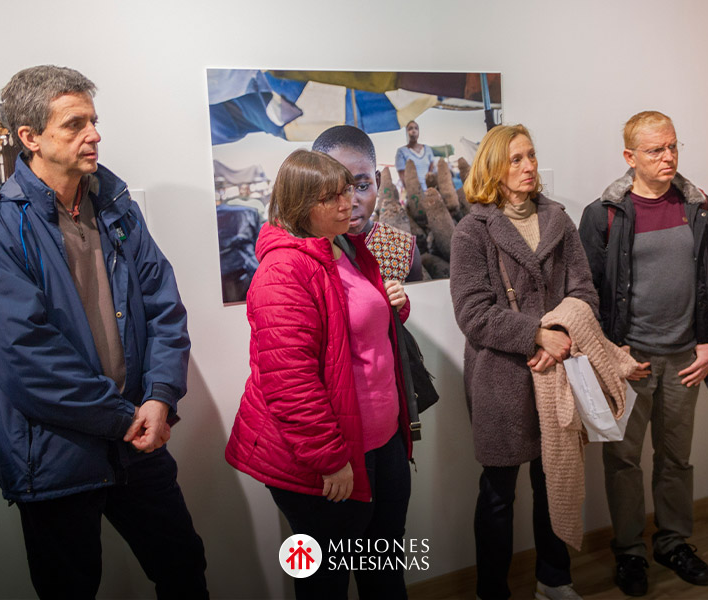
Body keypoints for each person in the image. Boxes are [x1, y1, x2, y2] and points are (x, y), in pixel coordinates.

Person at [0, 65, 208, 600]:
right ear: (30, 137)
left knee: (184, 569)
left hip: (138, 438)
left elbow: (165, 308)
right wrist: (124, 417)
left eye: (93, 121)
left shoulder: (117, 208)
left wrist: (160, 396)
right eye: (74, 124)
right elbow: (24, 358)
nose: (93, 134)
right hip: (57, 453)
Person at [225, 149, 414, 599]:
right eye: (332, 197)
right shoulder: (283, 271)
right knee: (325, 583)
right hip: (329, 455)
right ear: (301, 205)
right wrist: (330, 459)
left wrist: (395, 307)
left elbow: (357, 332)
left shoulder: (346, 247)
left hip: (381, 440)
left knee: (383, 569)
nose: (349, 203)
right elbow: (290, 382)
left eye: (348, 190)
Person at [578, 110, 708, 596]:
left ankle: (672, 543)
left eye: (672, 146)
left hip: (686, 360)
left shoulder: (701, 207)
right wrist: (611, 353)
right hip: (630, 363)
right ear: (630, 157)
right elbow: (586, 293)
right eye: (655, 150)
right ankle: (629, 551)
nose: (668, 157)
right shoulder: (604, 213)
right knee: (624, 462)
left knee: (675, 459)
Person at [449, 124, 599, 600]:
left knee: (555, 480)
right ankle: (491, 591)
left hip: (557, 371)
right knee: (497, 494)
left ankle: (554, 579)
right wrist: (535, 334)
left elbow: (584, 292)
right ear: (494, 168)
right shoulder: (472, 231)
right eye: (516, 159)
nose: (529, 166)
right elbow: (472, 313)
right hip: (501, 379)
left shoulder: (558, 220)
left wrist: (561, 337)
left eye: (531, 155)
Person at [313, 125, 423, 282]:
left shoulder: (403, 250)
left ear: (377, 182)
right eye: (333, 190)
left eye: (362, 186)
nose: (350, 202)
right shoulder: (305, 250)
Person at [395, 120, 436, 191]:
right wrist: (412, 192)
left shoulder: (427, 149)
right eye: (410, 129)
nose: (413, 131)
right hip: (413, 191)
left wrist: (430, 188)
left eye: (416, 128)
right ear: (406, 132)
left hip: (428, 190)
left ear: (419, 132)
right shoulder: (401, 151)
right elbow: (402, 175)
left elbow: (431, 170)